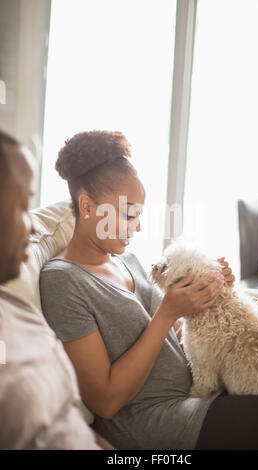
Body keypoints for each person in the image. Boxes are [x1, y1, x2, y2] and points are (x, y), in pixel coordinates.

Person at [39, 130, 258, 450]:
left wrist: (208, 293)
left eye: (139, 215)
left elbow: (177, 334)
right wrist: (167, 313)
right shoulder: (63, 281)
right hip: (159, 419)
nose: (137, 227)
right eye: (128, 214)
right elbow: (105, 402)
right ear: (87, 206)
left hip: (200, 393)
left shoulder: (128, 261)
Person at [0, 129, 112, 450]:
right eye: (20, 207)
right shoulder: (62, 279)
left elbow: (68, 420)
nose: (34, 226)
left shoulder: (17, 307)